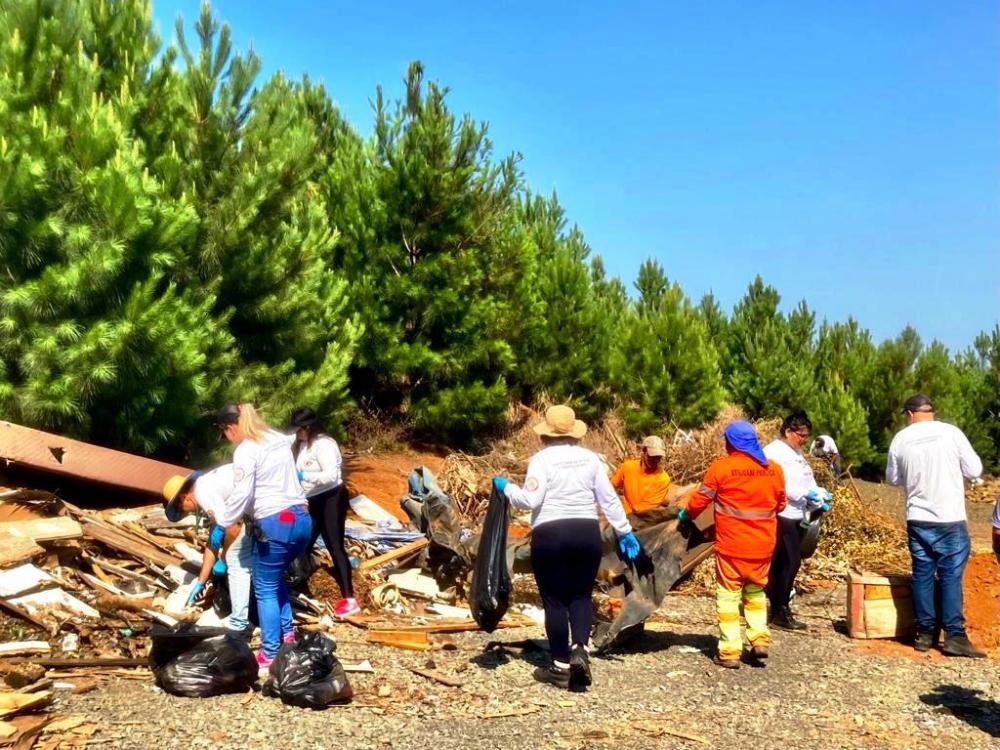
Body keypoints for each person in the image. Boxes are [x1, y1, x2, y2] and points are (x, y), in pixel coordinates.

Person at [494, 405, 640, 691]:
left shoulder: (541, 459)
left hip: (551, 534)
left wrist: (505, 488)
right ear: (574, 433)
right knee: (581, 596)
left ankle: (560, 667)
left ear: (546, 434)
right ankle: (580, 650)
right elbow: (609, 499)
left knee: (555, 600)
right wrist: (624, 532)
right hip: (586, 533)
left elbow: (530, 500)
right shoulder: (591, 460)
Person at [679, 422, 786, 669]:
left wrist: (686, 514)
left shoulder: (722, 468)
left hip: (732, 547)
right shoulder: (775, 470)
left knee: (728, 597)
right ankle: (759, 640)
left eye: (726, 440)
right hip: (763, 546)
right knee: (755, 592)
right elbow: (780, 505)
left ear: (733, 442)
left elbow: (700, 500)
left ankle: (729, 652)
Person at [213, 402, 312, 669]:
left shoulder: (247, 450)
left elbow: (242, 494)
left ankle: (269, 653)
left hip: (275, 521)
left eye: (225, 433)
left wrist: (222, 523)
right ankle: (288, 635)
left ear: (231, 427)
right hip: (301, 519)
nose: (227, 439)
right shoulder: (276, 439)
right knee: (274, 576)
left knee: (264, 587)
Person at [886, 393, 985, 657]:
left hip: (917, 517)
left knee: (922, 573)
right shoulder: (951, 433)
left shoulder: (901, 439)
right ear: (932, 412)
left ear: (909, 414)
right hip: (949, 517)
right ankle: (955, 636)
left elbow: (893, 478)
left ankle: (924, 634)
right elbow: (975, 470)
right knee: (951, 575)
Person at [162, 464, 254, 638]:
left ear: (184, 498)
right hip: (255, 512)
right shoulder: (207, 487)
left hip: (266, 512)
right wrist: (201, 581)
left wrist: (225, 559)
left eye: (182, 509)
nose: (185, 513)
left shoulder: (204, 493)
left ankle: (239, 623)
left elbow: (233, 529)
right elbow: (212, 544)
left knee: (237, 564)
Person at [287, 406, 359, 618]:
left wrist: (303, 476)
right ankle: (299, 586)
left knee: (334, 545)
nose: (297, 433)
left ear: (308, 427)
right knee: (304, 543)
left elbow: (330, 476)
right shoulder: (301, 445)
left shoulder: (324, 444)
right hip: (312, 500)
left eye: (299, 429)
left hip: (331, 498)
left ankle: (350, 598)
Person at [763, 412, 832, 631]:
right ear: (788, 431)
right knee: (790, 561)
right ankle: (780, 611)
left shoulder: (797, 452)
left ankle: (778, 609)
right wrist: (803, 494)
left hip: (797, 514)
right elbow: (775, 483)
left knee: (784, 562)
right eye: (801, 435)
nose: (804, 440)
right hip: (781, 513)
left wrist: (818, 494)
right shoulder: (773, 452)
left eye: (806, 436)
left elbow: (806, 477)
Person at [610, 435, 673, 515]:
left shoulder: (663, 479)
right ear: (643, 451)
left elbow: (644, 510)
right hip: (623, 516)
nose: (656, 460)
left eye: (658, 457)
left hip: (643, 521)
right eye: (652, 456)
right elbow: (610, 487)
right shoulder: (628, 467)